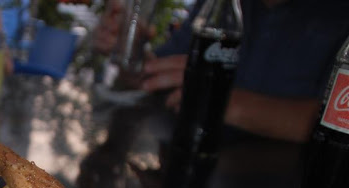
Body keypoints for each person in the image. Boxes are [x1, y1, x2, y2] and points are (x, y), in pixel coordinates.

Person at [93, 0, 349, 142]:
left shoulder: (338, 16)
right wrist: (131, 50)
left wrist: (219, 98)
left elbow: (334, 122)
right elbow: (161, 75)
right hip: (194, 167)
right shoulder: (220, 5)